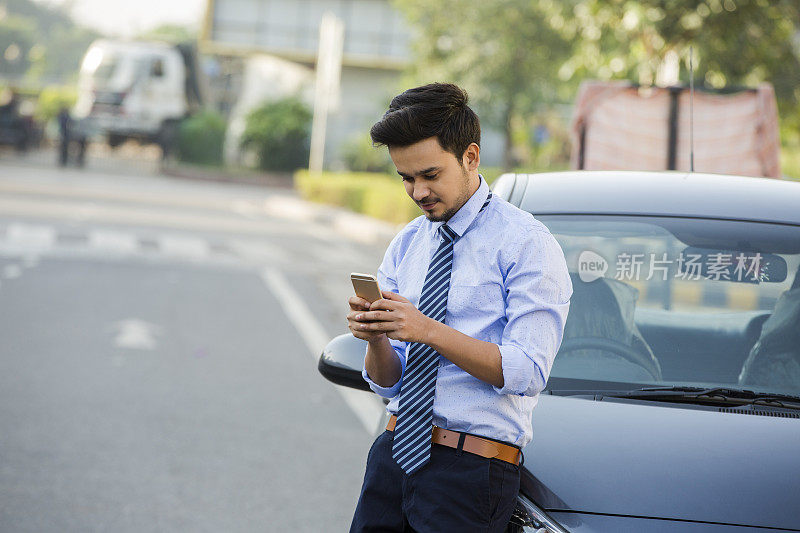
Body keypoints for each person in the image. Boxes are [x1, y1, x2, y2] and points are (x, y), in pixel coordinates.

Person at [346, 83, 572, 532]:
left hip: (470, 472)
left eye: (430, 174)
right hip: (393, 456)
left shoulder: (526, 244)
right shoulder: (409, 242)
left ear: (471, 157)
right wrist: (376, 338)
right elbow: (390, 383)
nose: (417, 191)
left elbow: (527, 371)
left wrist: (427, 329)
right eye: (406, 178)